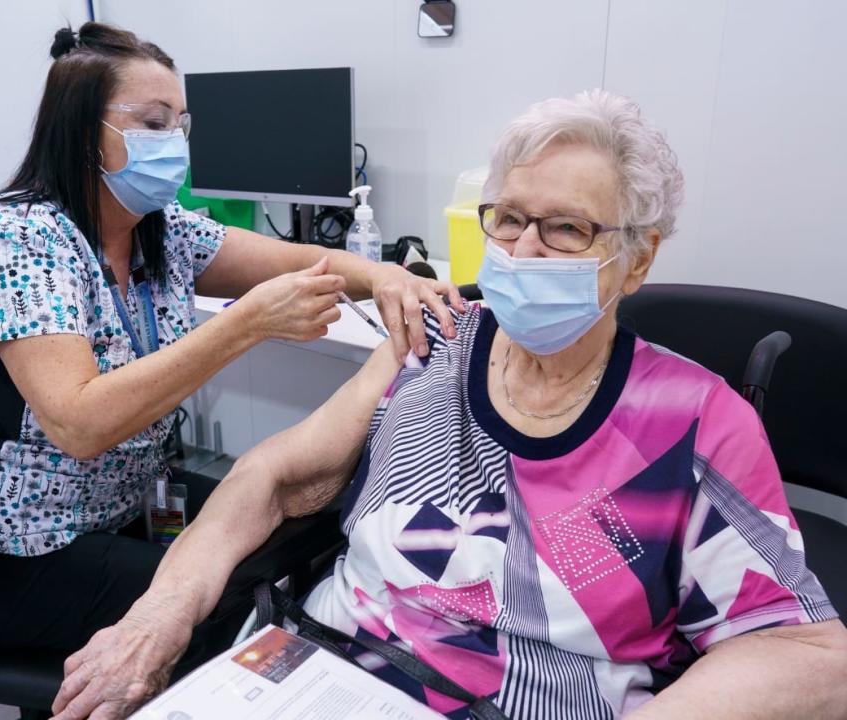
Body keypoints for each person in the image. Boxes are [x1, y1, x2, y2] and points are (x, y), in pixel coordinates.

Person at [50, 90, 847, 720]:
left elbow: (809, 657)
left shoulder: (694, 423)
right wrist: (158, 618)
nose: (521, 249)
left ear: (636, 259)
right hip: (319, 673)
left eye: (565, 229)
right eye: (507, 218)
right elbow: (277, 478)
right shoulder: (434, 340)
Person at [0, 21, 463, 677]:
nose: (174, 146)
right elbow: (79, 422)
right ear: (81, 132)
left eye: (180, 125)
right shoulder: (16, 239)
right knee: (212, 607)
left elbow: (303, 258)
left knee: (285, 537)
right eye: (153, 124)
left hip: (122, 503)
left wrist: (388, 276)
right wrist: (244, 326)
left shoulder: (158, 230)